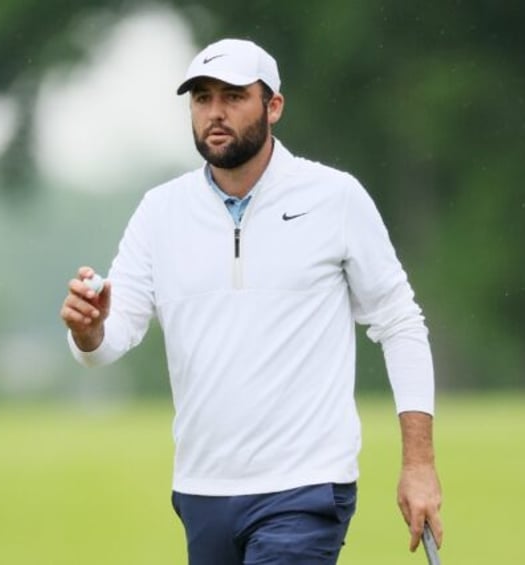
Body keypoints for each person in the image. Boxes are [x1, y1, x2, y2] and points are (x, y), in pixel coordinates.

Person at [60, 38, 443, 564]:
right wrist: (88, 331)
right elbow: (111, 336)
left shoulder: (334, 198)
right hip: (202, 488)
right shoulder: (160, 212)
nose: (214, 113)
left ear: (274, 106)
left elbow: (400, 323)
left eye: (234, 96)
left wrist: (418, 464)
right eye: (201, 98)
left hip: (306, 486)